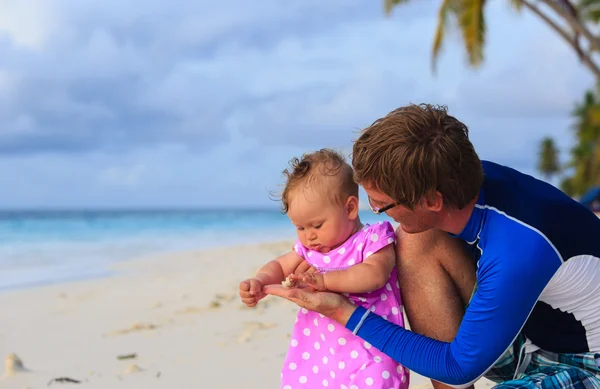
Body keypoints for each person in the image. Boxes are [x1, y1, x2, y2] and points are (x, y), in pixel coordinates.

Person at [265, 104, 600, 389]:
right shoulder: (455, 178)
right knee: (414, 240)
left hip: (588, 361)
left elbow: (457, 367)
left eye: (382, 205)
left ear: (431, 200)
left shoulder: (518, 248)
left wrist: (340, 310)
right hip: (528, 331)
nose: (377, 214)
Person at [239, 149, 410, 389]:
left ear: (350, 208)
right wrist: (259, 281)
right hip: (318, 351)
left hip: (371, 348)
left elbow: (374, 274)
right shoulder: (311, 250)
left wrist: (324, 281)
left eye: (317, 225)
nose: (308, 236)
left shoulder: (372, 238)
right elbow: (279, 265)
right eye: (300, 228)